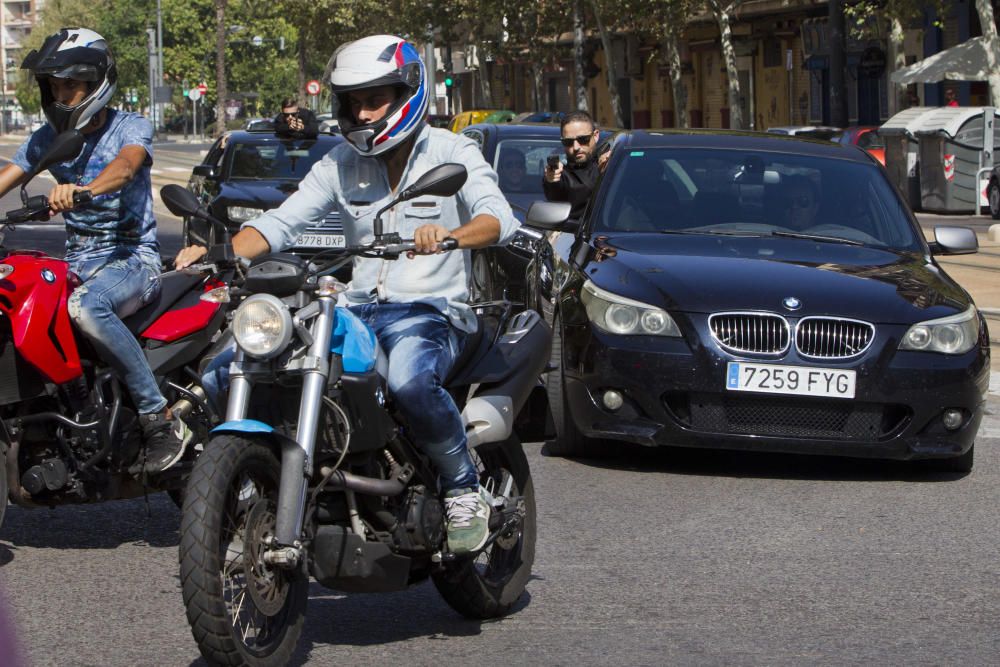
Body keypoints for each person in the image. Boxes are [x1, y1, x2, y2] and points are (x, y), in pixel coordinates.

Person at [176, 35, 519, 555]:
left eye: (373, 99)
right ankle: (263, 475)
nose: (360, 112)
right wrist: (221, 253)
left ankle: (462, 485)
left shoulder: (453, 151)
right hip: (356, 308)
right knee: (229, 367)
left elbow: (499, 218)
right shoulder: (339, 163)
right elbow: (280, 223)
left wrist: (450, 236)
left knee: (408, 380)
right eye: (351, 101)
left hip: (430, 313)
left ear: (407, 92)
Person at [0, 28, 191, 475]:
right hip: (79, 261)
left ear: (96, 83)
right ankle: (58, 413)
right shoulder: (48, 138)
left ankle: (156, 416)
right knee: (22, 298)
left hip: (130, 260)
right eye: (55, 87)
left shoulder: (131, 126)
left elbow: (125, 168)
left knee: (86, 307)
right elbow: (9, 174)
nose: (63, 96)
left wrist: (83, 191)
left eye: (72, 85)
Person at [542, 109, 610, 220]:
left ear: (596, 135)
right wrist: (551, 180)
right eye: (568, 142)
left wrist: (611, 166)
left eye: (583, 139)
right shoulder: (563, 176)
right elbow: (556, 194)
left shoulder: (612, 158)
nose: (576, 147)